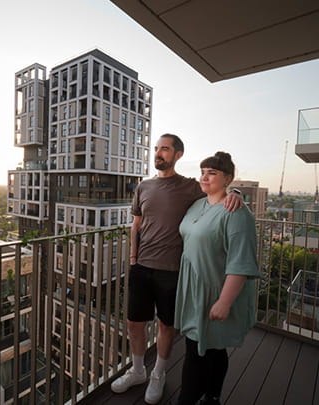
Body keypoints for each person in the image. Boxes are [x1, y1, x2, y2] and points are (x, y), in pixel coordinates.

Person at [111, 135, 243, 404]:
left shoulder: (190, 187)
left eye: (165, 149)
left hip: (172, 270)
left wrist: (236, 194)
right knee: (134, 323)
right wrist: (133, 258)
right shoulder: (143, 187)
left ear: (178, 154)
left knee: (165, 325)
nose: (158, 153)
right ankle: (138, 371)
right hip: (141, 267)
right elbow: (136, 225)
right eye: (157, 148)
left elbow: (216, 193)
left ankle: (158, 374)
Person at [174, 152, 260, 405]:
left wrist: (224, 301)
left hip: (215, 290)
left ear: (228, 179)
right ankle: (212, 395)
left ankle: (187, 400)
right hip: (193, 287)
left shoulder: (236, 213)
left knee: (196, 351)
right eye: (203, 171)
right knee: (213, 347)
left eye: (212, 173)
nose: (204, 177)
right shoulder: (197, 204)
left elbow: (241, 261)